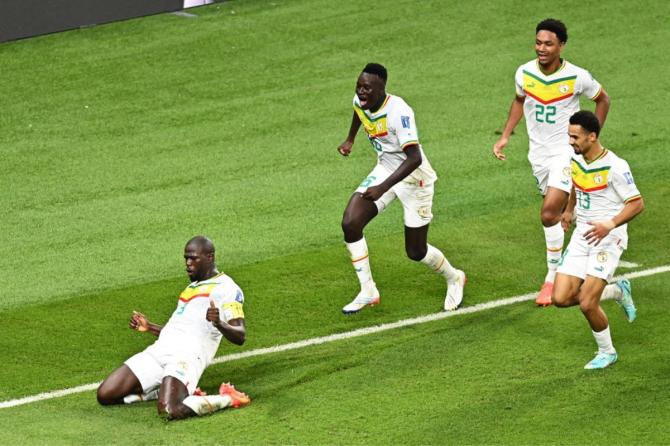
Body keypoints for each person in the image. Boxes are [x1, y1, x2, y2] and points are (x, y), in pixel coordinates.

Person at [492, 18, 611, 306]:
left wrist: (590, 137)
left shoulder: (577, 76)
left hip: (565, 152)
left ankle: (552, 276)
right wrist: (506, 135)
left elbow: (603, 100)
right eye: (538, 42)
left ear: (561, 45)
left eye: (548, 43)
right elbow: (519, 101)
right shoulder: (524, 73)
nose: (541, 48)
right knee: (557, 216)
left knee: (547, 213)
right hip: (539, 155)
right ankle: (584, 246)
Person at [337, 63, 466, 314]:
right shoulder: (361, 101)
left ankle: (454, 277)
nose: (361, 92)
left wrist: (383, 187)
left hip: (414, 179)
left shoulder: (399, 112)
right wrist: (350, 138)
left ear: (382, 89)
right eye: (359, 86)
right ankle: (368, 290)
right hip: (386, 169)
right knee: (350, 223)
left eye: (367, 88)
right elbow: (359, 112)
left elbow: (414, 158)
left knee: (416, 251)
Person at [97, 236, 250, 420]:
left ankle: (227, 397)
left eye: (193, 258)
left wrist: (219, 323)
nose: (188, 263)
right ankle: (166, 391)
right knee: (105, 394)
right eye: (186, 258)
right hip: (160, 350)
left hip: (187, 355)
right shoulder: (190, 288)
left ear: (210, 257)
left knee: (170, 409)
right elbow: (179, 332)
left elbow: (240, 336)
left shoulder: (227, 288)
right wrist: (150, 327)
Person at [552, 110, 643, 369]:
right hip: (583, 235)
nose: (571, 141)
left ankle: (607, 351)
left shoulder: (616, 166)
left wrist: (610, 224)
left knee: (587, 302)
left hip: (609, 237)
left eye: (575, 137)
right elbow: (576, 184)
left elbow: (637, 204)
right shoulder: (576, 159)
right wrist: (569, 210)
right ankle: (616, 290)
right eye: (569, 136)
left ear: (592, 136)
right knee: (560, 298)